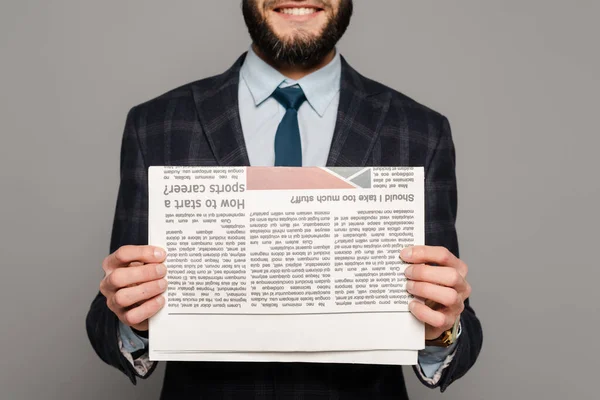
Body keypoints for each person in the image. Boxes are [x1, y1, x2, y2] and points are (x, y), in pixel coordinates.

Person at [86, 1, 483, 398]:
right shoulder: (156, 125)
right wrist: (131, 320)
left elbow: (455, 324)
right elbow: (110, 321)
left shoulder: (420, 132)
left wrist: (442, 329)